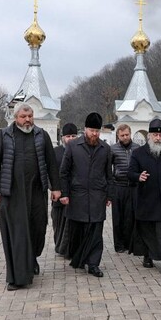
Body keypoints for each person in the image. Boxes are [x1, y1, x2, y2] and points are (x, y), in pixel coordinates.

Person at [0, 103, 61, 291]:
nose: (27, 120)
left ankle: (32, 259)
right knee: (18, 234)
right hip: (12, 193)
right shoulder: (4, 135)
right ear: (15, 117)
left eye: (30, 116)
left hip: (36, 192)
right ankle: (17, 278)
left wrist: (56, 188)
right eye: (23, 116)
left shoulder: (41, 135)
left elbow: (51, 163)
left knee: (38, 229)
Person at [60, 112, 113, 278]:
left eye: (97, 131)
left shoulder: (105, 149)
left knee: (96, 232)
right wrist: (65, 193)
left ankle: (94, 263)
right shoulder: (73, 146)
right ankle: (80, 258)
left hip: (98, 195)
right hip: (78, 196)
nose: (95, 134)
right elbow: (64, 172)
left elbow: (108, 175)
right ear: (85, 130)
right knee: (79, 230)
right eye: (92, 131)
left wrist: (109, 195)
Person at [127, 119, 161, 274]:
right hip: (146, 199)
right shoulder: (138, 153)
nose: (158, 138)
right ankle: (148, 256)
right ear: (149, 135)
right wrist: (138, 176)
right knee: (148, 231)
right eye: (155, 135)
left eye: (160, 135)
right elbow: (130, 173)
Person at [110, 124, 138, 253]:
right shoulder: (113, 149)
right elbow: (107, 169)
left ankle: (130, 244)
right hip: (118, 187)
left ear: (130, 133)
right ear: (118, 136)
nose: (125, 137)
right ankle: (119, 245)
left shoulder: (137, 149)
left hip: (133, 187)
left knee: (130, 217)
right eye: (122, 135)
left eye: (127, 134)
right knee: (118, 218)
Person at [52, 122, 78, 256]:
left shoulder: (80, 152)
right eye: (68, 136)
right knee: (59, 223)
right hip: (58, 194)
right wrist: (54, 189)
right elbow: (50, 172)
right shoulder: (55, 152)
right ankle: (60, 247)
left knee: (73, 225)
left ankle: (71, 249)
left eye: (74, 136)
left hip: (75, 195)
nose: (71, 139)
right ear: (62, 137)